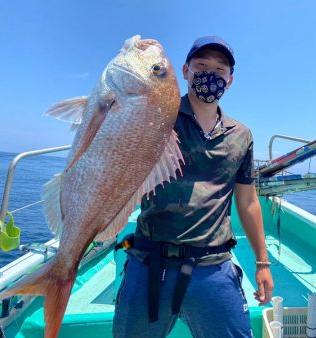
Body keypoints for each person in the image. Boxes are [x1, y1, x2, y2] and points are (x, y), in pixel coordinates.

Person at [113, 36, 274, 338]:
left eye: (219, 69)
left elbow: (248, 202)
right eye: (201, 65)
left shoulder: (241, 135)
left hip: (212, 266)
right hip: (150, 262)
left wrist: (262, 262)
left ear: (230, 80)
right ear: (185, 71)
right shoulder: (158, 117)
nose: (210, 74)